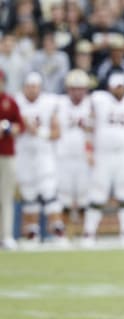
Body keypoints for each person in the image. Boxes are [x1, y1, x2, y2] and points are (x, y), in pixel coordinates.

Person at [82, 72, 124, 247]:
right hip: (103, 154)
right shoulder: (100, 101)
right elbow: (89, 126)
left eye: (121, 86)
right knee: (97, 192)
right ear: (109, 86)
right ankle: (89, 233)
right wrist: (88, 150)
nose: (118, 89)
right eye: (115, 85)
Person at [14, 72, 66, 246]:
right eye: (28, 86)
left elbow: (57, 132)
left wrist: (40, 132)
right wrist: (22, 125)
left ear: (40, 87)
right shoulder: (17, 102)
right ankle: (31, 234)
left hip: (44, 154)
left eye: (34, 86)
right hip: (23, 154)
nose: (31, 90)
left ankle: (58, 232)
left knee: (49, 193)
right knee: (29, 195)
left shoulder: (49, 103)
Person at [52, 69, 93, 238]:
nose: (77, 92)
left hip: (83, 158)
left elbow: (93, 131)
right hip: (64, 157)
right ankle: (65, 234)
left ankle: (85, 233)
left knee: (84, 199)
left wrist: (91, 151)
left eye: (80, 88)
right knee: (64, 199)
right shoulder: (59, 104)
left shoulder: (92, 104)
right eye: (73, 88)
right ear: (68, 89)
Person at [0, 69, 25, 250]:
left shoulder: (10, 102)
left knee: (6, 197)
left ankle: (6, 235)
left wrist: (10, 130)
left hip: (7, 154)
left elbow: (20, 125)